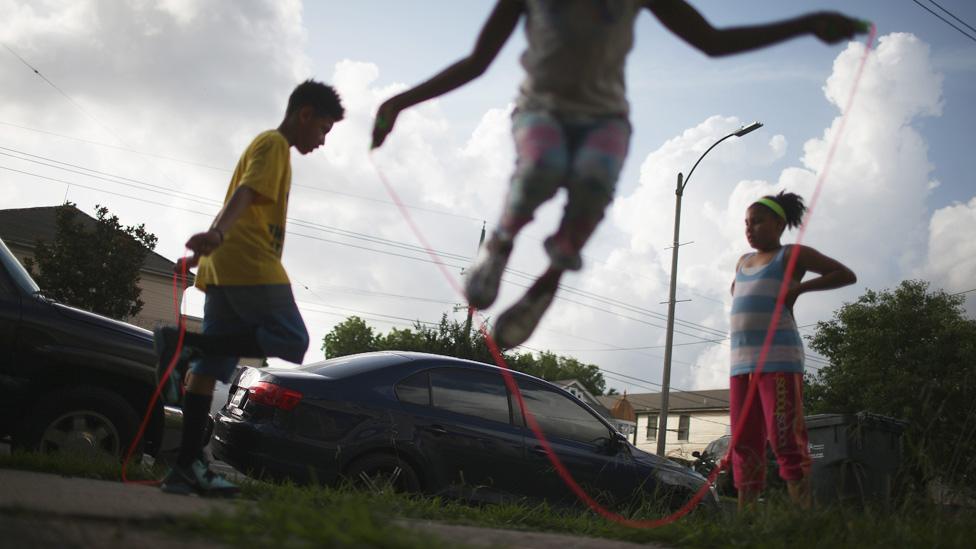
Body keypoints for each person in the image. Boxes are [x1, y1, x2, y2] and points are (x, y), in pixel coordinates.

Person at [370, 0, 867, 349]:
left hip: (607, 118)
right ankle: (499, 244)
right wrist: (399, 101)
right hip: (540, 110)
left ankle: (545, 285)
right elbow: (479, 61)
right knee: (542, 169)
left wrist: (804, 23)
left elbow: (712, 41)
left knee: (591, 185)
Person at [154, 80, 345, 496]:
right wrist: (219, 235)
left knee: (209, 371)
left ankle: (184, 467)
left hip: (224, 267)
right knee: (293, 339)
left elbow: (236, 198)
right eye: (323, 130)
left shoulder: (265, 146)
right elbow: (245, 192)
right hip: (251, 264)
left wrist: (206, 250)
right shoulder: (275, 145)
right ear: (305, 114)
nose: (322, 141)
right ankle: (183, 345)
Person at [729, 191, 856, 510]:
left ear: (779, 223)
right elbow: (738, 293)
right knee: (744, 441)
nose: (750, 228)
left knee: (784, 438)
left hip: (779, 362)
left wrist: (799, 288)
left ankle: (803, 515)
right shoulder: (743, 262)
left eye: (757, 221)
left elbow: (844, 274)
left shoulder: (792, 254)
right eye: (746, 223)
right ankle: (746, 518)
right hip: (740, 366)